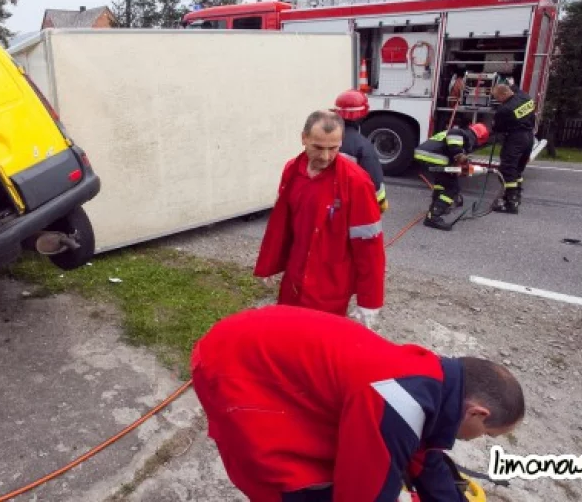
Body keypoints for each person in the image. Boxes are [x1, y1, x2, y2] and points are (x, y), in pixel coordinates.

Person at [191, 305, 525, 502]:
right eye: (487, 434)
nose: (476, 439)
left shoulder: (431, 380)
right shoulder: (398, 401)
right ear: (477, 412)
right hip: (233, 363)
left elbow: (423, 457)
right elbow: (364, 493)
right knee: (294, 480)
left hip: (262, 347)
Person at [255, 110, 385, 328]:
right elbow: (281, 224)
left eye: (333, 148)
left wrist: (370, 300)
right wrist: (270, 263)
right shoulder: (292, 171)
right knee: (287, 332)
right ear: (303, 138)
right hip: (294, 277)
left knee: (319, 341)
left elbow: (369, 245)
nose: (325, 157)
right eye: (318, 147)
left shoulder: (356, 182)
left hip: (330, 286)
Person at [413, 121, 490, 231]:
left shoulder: (464, 135)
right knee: (452, 188)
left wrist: (458, 166)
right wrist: (459, 154)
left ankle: (436, 205)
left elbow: (449, 149)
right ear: (481, 138)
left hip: (424, 154)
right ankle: (433, 217)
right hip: (434, 157)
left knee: (442, 181)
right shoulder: (466, 135)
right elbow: (454, 134)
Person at [331, 90, 388, 214]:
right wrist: (381, 204)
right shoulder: (362, 146)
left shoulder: (323, 138)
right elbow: (375, 185)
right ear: (363, 116)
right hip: (350, 209)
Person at [490, 84, 536, 214]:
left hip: (516, 139)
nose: (497, 100)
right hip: (529, 137)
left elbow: (497, 128)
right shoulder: (525, 97)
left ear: (504, 94)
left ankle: (510, 203)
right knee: (517, 169)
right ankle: (517, 195)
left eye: (497, 97)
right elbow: (515, 88)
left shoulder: (504, 110)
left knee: (507, 169)